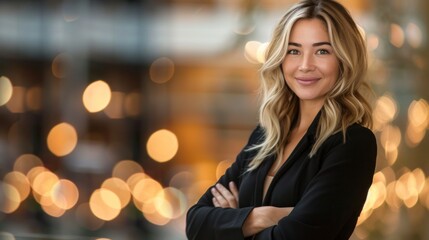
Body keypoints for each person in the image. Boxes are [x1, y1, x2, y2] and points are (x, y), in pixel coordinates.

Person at [186, 0, 377, 239]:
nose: (305, 66)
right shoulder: (266, 134)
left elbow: (297, 237)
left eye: (322, 51)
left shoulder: (352, 143)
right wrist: (264, 216)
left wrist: (235, 222)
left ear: (344, 59)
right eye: (294, 51)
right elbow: (195, 223)